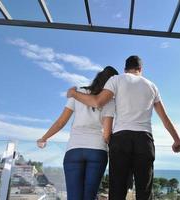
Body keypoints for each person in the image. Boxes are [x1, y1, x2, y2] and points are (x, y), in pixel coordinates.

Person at [67, 55, 180, 200]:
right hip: (144, 140)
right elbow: (165, 118)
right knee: (144, 191)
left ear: (125, 69)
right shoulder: (152, 86)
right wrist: (177, 140)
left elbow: (97, 102)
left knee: (117, 190)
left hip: (121, 139)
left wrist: (73, 93)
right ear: (140, 69)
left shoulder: (116, 80)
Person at [37, 66, 119, 200]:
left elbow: (61, 122)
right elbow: (106, 133)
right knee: (89, 196)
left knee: (74, 197)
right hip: (97, 150)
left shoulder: (78, 92)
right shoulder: (110, 101)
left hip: (74, 150)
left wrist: (44, 138)